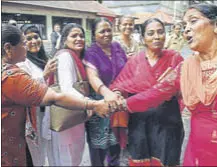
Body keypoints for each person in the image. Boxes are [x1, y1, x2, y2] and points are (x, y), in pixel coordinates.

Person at [108, 3, 217, 166]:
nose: (186, 30)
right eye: (185, 25)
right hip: (195, 149)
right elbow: (158, 92)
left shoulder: (178, 58)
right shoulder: (187, 66)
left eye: (193, 21)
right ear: (143, 38)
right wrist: (118, 103)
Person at [1, 24, 109, 166]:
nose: (27, 45)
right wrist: (93, 104)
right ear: (8, 48)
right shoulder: (12, 76)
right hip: (12, 145)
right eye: (23, 42)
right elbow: (55, 96)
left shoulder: (15, 68)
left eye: (81, 35)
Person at [110, 18, 184, 166]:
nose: (156, 36)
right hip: (139, 124)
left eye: (160, 32)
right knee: (140, 159)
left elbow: (181, 90)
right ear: (143, 38)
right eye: (151, 33)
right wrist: (117, 94)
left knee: (166, 159)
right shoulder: (135, 62)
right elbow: (119, 84)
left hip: (168, 122)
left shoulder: (175, 59)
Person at [83, 17, 128, 166]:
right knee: (98, 150)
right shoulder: (91, 53)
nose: (106, 34)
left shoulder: (117, 47)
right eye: (102, 31)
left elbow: (128, 70)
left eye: (109, 30)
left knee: (115, 146)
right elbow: (93, 77)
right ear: (94, 34)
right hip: (100, 105)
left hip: (118, 103)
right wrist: (106, 93)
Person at [50, 23, 91, 166]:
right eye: (74, 36)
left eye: (81, 36)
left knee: (73, 153)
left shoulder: (75, 57)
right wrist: (89, 104)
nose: (79, 39)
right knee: (68, 155)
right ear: (64, 40)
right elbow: (67, 88)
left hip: (74, 112)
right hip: (68, 113)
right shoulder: (66, 56)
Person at [16, 24, 57, 166]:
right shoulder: (22, 64)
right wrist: (45, 75)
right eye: (28, 38)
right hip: (31, 117)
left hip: (45, 114)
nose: (34, 41)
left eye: (36, 37)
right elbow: (25, 89)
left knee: (42, 152)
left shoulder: (43, 59)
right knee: (33, 155)